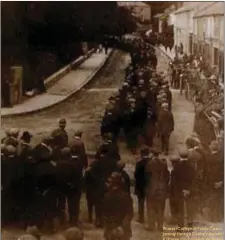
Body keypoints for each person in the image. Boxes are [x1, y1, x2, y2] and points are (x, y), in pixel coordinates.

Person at [102, 172, 133, 240]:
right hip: (121, 230)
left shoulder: (107, 197)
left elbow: (104, 214)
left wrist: (111, 226)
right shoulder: (126, 196)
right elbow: (129, 214)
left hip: (112, 229)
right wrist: (122, 226)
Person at [145, 149, 169, 231]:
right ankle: (160, 226)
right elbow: (167, 176)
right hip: (162, 188)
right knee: (160, 208)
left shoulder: (149, 164)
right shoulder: (164, 164)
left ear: (152, 154)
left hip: (152, 188)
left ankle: (151, 225)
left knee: (151, 207)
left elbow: (147, 178)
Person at [176, 146, 196, 228]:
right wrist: (188, 189)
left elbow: (175, 181)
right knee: (189, 207)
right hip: (189, 190)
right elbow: (194, 180)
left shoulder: (177, 167)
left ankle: (180, 225)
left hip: (180, 190)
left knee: (180, 207)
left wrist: (181, 189)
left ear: (179, 155)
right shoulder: (192, 166)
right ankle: (190, 223)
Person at [134, 148, 149, 223]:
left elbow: (136, 175)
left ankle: (141, 218)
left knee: (141, 203)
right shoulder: (150, 162)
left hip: (140, 186)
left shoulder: (139, 163)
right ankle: (150, 218)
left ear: (141, 154)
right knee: (150, 203)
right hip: (149, 185)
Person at [169, 155, 180, 223]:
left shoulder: (174, 171)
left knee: (173, 205)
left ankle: (174, 219)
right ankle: (177, 218)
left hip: (174, 191)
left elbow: (173, 182)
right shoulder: (181, 169)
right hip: (179, 191)